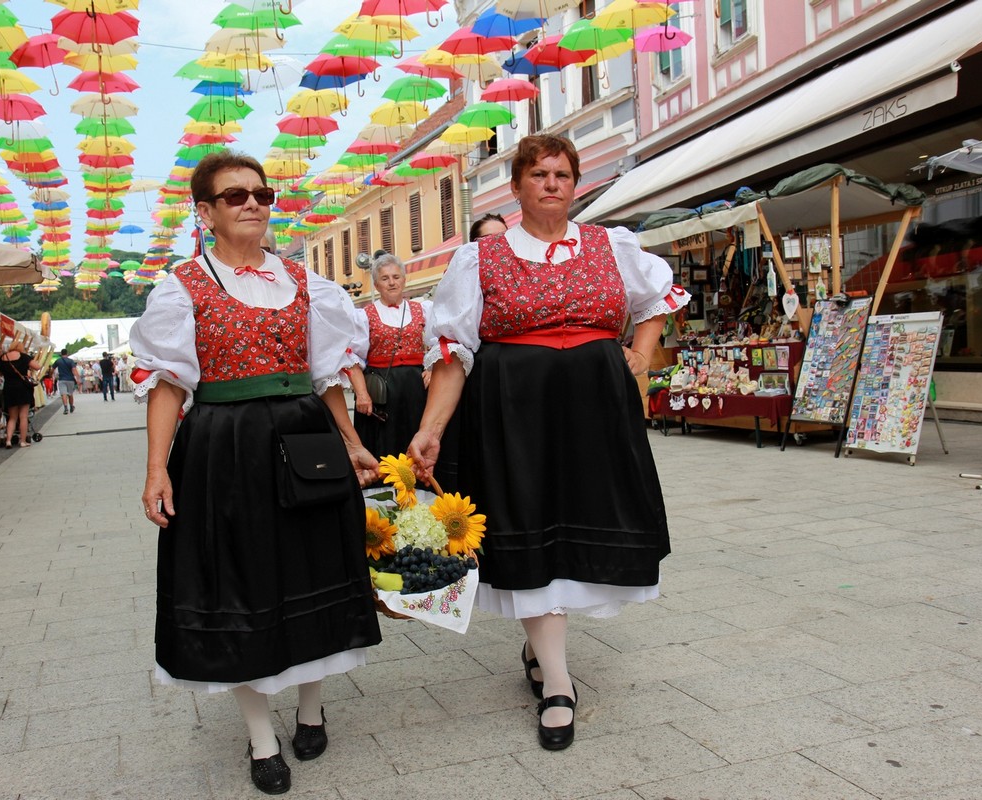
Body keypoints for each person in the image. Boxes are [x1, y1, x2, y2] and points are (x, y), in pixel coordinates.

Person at [408, 134, 686, 753]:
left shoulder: (612, 245)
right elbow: (454, 353)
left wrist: (639, 358)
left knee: (581, 525)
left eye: (563, 174)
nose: (552, 183)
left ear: (576, 183)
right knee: (532, 530)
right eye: (539, 174)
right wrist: (429, 430)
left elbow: (656, 300)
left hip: (595, 409)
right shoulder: (479, 259)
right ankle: (558, 683)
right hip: (514, 413)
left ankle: (541, 648)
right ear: (517, 187)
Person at [130, 150, 382, 796]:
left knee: (317, 566)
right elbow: (168, 385)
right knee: (237, 581)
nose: (252, 204)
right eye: (236, 195)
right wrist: (157, 467)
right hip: (223, 448)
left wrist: (351, 440)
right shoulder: (182, 286)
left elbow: (326, 375)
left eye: (261, 194)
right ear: (206, 211)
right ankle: (261, 736)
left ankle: (310, 706)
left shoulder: (307, 284)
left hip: (305, 437)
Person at [348, 252, 431, 462]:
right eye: (385, 278)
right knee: (383, 446)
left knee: (416, 438)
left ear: (404, 280)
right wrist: (362, 394)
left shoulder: (423, 310)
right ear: (376, 285)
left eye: (396, 277)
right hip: (381, 390)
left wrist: (432, 369)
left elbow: (439, 344)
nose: (391, 283)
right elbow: (353, 359)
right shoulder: (364, 315)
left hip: (415, 388)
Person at [0, 341, 39, 448]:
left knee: (12, 417)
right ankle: (23, 441)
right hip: (22, 388)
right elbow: (37, 367)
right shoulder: (24, 357)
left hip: (9, 388)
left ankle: (8, 440)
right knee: (23, 416)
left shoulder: (2, 358)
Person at [54, 349, 80, 414]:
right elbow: (74, 369)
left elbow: (52, 369)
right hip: (70, 380)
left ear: (61, 353)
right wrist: (78, 378)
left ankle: (65, 407)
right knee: (70, 394)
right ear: (67, 353)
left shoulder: (58, 361)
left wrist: (51, 375)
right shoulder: (71, 361)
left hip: (62, 379)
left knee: (63, 394)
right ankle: (71, 406)